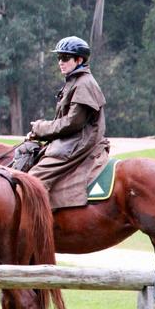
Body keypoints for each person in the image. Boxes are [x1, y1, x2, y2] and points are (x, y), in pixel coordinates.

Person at [19, 36, 110, 208]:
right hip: (70, 141)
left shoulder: (84, 84)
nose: (61, 62)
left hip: (78, 144)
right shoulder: (74, 81)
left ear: (79, 59)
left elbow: (71, 123)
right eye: (59, 57)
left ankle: (36, 227)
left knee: (33, 181)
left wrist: (40, 128)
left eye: (65, 58)